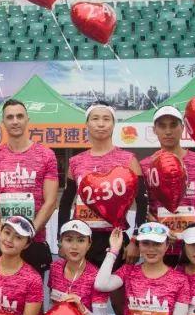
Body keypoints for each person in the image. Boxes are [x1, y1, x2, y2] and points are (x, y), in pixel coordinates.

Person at [58, 103, 147, 268]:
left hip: (115, 239)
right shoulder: (76, 162)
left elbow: (142, 202)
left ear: (113, 124)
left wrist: (135, 240)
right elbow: (65, 203)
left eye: (106, 119)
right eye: (95, 119)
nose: (100, 124)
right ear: (87, 123)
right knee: (82, 284)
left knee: (115, 284)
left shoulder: (128, 159)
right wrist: (60, 239)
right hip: (81, 239)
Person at [0, 98, 59, 278]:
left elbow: (51, 201)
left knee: (33, 294)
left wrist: (27, 235)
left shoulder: (47, 155)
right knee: (0, 293)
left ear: (27, 120)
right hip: (1, 241)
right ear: (3, 122)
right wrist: (5, 236)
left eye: (20, 116)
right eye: (10, 117)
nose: (15, 121)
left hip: (34, 240)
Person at [141, 106, 195, 267]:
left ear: (182, 127)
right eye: (162, 126)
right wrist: (157, 226)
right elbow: (143, 207)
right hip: (160, 245)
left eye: (173, 125)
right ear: (154, 130)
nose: (168, 131)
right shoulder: (145, 165)